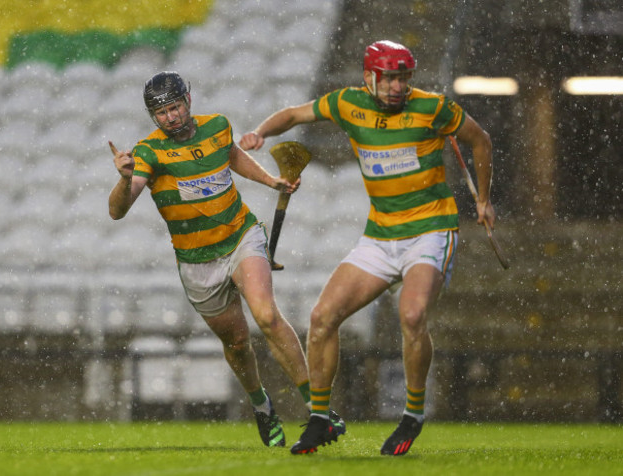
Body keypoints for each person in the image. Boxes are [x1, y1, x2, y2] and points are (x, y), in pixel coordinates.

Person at [240, 40, 495, 455]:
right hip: (380, 234)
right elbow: (293, 114)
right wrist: (260, 132)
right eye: (389, 78)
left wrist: (483, 200)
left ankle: (412, 415)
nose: (397, 87)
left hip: (431, 229)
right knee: (322, 317)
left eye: (403, 78)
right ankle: (320, 419)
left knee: (411, 315)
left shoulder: (433, 108)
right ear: (368, 77)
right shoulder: (347, 104)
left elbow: (480, 141)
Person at [108, 71, 345, 447]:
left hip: (240, 237)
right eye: (161, 113)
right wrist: (124, 179)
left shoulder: (218, 126)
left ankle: (318, 408)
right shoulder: (148, 153)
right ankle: (261, 404)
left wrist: (272, 182)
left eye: (175, 107)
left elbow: (232, 156)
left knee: (267, 315)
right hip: (196, 260)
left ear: (189, 98)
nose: (170, 117)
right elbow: (118, 212)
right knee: (236, 343)